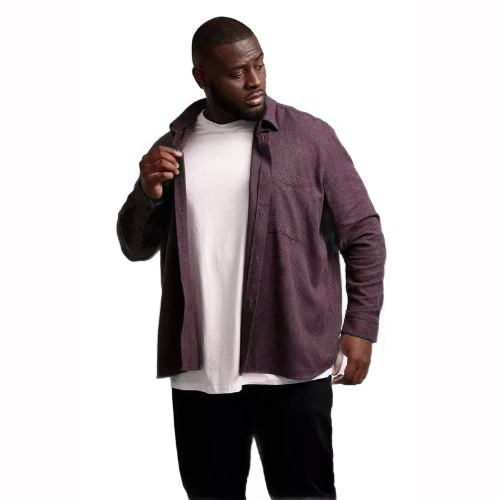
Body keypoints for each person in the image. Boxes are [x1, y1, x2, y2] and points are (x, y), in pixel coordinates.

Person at [116, 16, 386, 500]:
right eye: (237, 72)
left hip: (292, 363)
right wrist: (146, 192)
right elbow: (134, 247)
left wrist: (361, 326)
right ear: (202, 77)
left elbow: (363, 233)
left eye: (259, 64)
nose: (255, 80)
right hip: (201, 374)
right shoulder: (172, 149)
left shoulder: (310, 138)